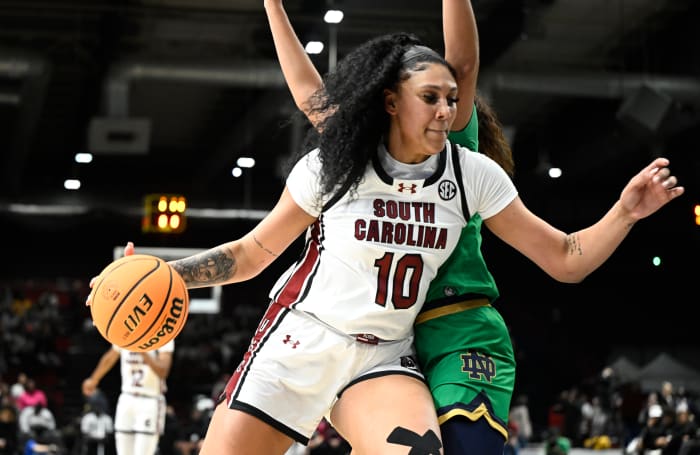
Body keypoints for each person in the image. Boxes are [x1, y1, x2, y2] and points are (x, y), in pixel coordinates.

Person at [91, 24, 683, 455]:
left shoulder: (471, 173)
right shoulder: (336, 166)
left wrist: (625, 213)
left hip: (382, 355)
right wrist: (172, 273)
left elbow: (565, 259)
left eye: (452, 99)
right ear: (391, 101)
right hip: (302, 339)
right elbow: (252, 254)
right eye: (431, 98)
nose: (446, 111)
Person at [263, 0, 515, 452]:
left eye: (441, 92)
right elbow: (311, 98)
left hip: (451, 315)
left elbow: (464, 61)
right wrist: (273, 7)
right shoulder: (366, 151)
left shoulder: (447, 137)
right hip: (385, 336)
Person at [81, 340, 174, 455]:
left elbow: (163, 370)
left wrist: (141, 349)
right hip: (127, 397)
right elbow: (111, 355)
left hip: (150, 400)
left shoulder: (162, 331)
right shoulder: (126, 330)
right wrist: (94, 379)